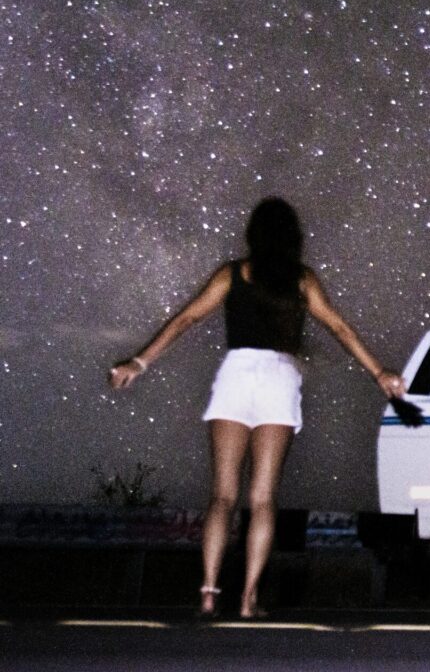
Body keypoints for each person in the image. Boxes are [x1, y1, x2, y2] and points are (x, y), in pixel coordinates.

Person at [109, 198, 405, 618]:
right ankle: (248, 598)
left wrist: (140, 362)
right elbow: (338, 327)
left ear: (254, 234)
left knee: (222, 496)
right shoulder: (302, 280)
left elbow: (185, 319)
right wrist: (380, 374)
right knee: (263, 498)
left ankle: (209, 592)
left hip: (237, 373)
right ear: (293, 238)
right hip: (279, 379)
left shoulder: (233, 274)